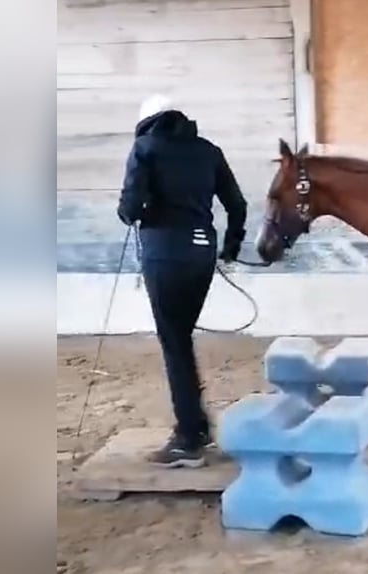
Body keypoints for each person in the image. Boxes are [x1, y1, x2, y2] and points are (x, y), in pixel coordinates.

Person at [116, 94, 247, 468]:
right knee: (181, 339)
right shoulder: (209, 151)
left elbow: (129, 208)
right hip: (203, 254)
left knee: (174, 343)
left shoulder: (145, 148)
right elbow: (237, 205)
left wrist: (133, 210)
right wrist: (231, 249)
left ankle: (189, 438)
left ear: (147, 122)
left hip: (166, 255)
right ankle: (196, 427)